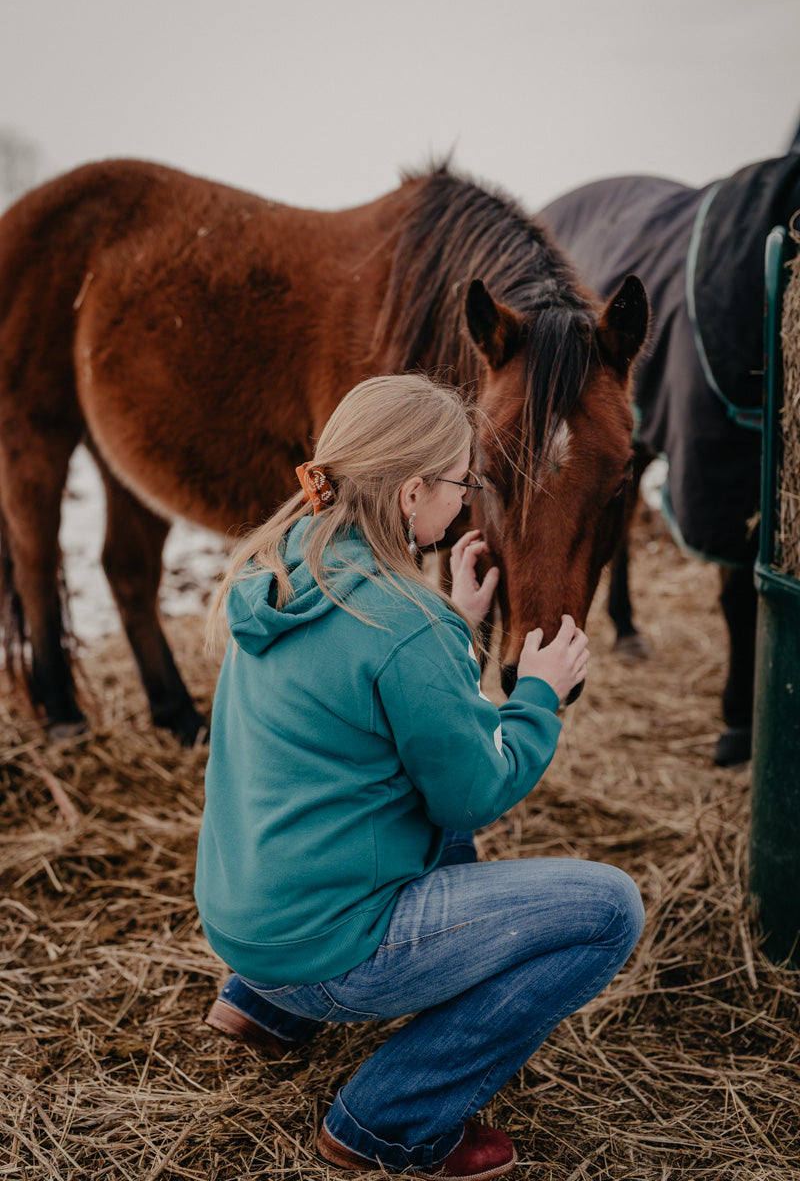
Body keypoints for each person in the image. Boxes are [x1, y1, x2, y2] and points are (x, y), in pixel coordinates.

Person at [194, 373, 645, 1180]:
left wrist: (456, 629)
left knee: (419, 771)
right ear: (410, 493)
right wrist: (537, 694)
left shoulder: (281, 567)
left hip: (247, 923)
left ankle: (262, 1008)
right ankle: (391, 1117)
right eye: (463, 482)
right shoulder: (406, 624)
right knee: (610, 910)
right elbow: (476, 790)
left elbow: (372, 702)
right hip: (331, 952)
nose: (469, 500)